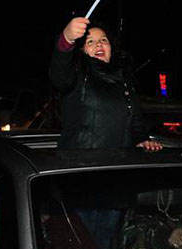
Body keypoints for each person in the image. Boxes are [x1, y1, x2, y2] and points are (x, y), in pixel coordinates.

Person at [49, 17, 161, 151]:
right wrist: (66, 39)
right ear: (82, 50)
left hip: (118, 161)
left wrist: (142, 141)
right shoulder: (77, 76)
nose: (99, 44)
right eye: (90, 41)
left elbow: (135, 123)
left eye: (103, 40)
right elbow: (59, 74)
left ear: (111, 48)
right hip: (79, 161)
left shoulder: (124, 80)